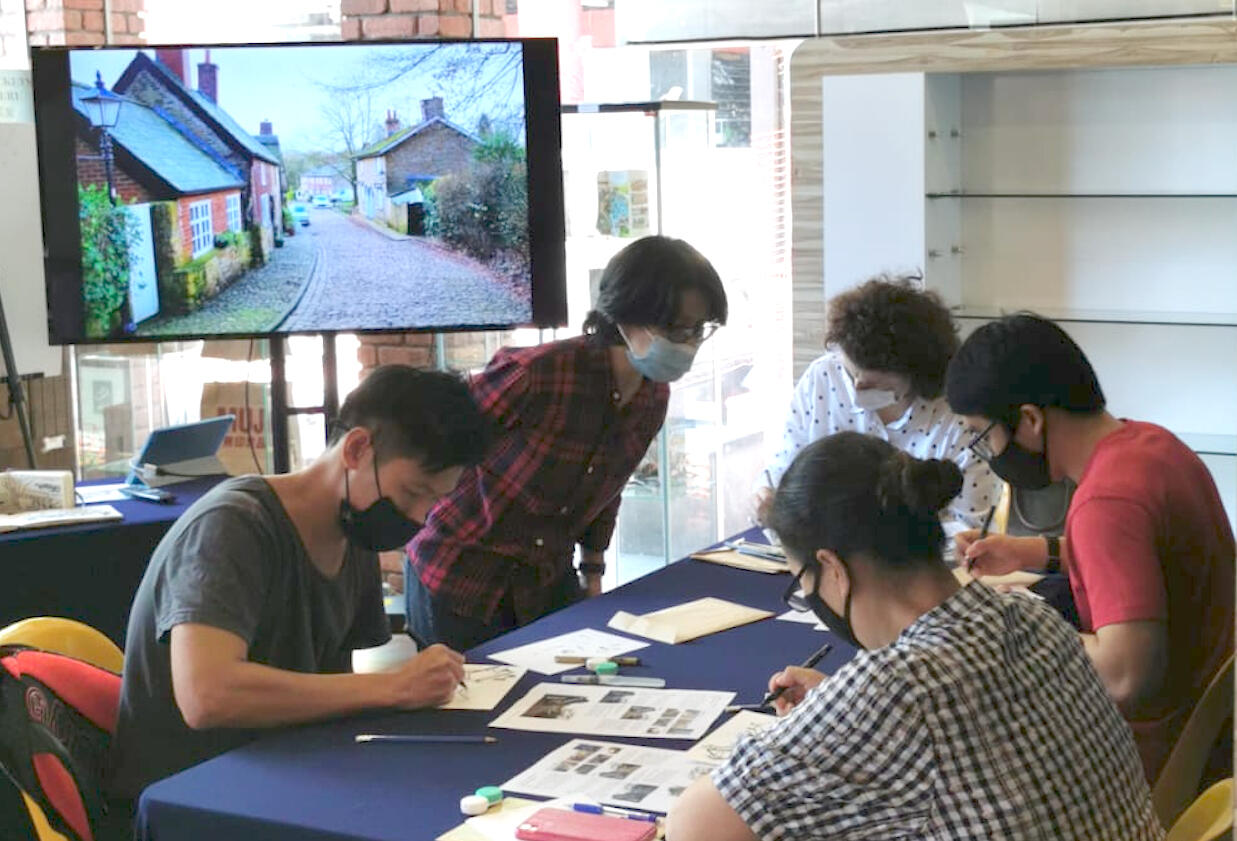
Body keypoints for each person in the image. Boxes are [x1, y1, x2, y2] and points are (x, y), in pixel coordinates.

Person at [668, 432, 1163, 841]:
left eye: (803, 583)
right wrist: (836, 708)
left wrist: (838, 714)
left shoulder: (896, 687)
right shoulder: (1030, 615)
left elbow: (695, 826)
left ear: (832, 569)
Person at [109, 366, 488, 801]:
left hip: (285, 770)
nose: (420, 517)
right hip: (191, 796)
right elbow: (207, 695)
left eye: (434, 502)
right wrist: (394, 687)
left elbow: (333, 689)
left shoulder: (354, 535)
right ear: (357, 449)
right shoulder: (232, 526)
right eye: (412, 492)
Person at [944, 313, 1234, 782]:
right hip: (1212, 732)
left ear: (1030, 420)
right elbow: (1139, 558)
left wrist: (1021, 624)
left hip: (1163, 760)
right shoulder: (1152, 445)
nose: (991, 452)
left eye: (985, 435)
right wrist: (1027, 552)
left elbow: (1125, 676)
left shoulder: (1106, 502)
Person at [405, 235, 728, 651]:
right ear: (627, 316)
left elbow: (607, 491)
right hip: (461, 577)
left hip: (544, 583)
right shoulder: (538, 374)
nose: (688, 343)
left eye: (698, 330)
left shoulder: (653, 396)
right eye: (677, 328)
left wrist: (593, 571)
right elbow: (441, 443)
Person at [753, 275, 998, 531]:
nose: (856, 387)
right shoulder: (824, 377)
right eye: (851, 373)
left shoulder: (958, 417)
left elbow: (970, 528)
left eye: (872, 383)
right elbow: (784, 471)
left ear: (916, 373)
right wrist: (767, 495)